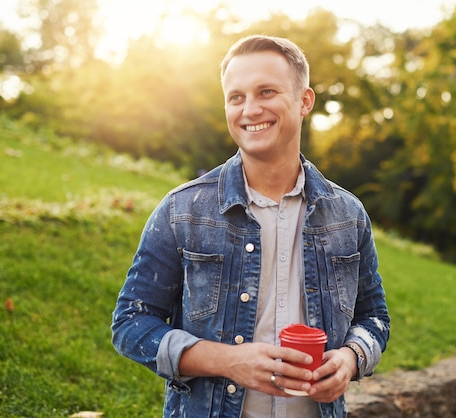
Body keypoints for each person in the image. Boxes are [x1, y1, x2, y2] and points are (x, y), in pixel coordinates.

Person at [111, 34, 390, 418]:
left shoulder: (348, 214)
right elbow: (130, 324)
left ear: (304, 101)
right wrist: (227, 361)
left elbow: (374, 318)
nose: (250, 110)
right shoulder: (182, 209)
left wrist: (351, 358)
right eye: (236, 97)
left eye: (266, 92)